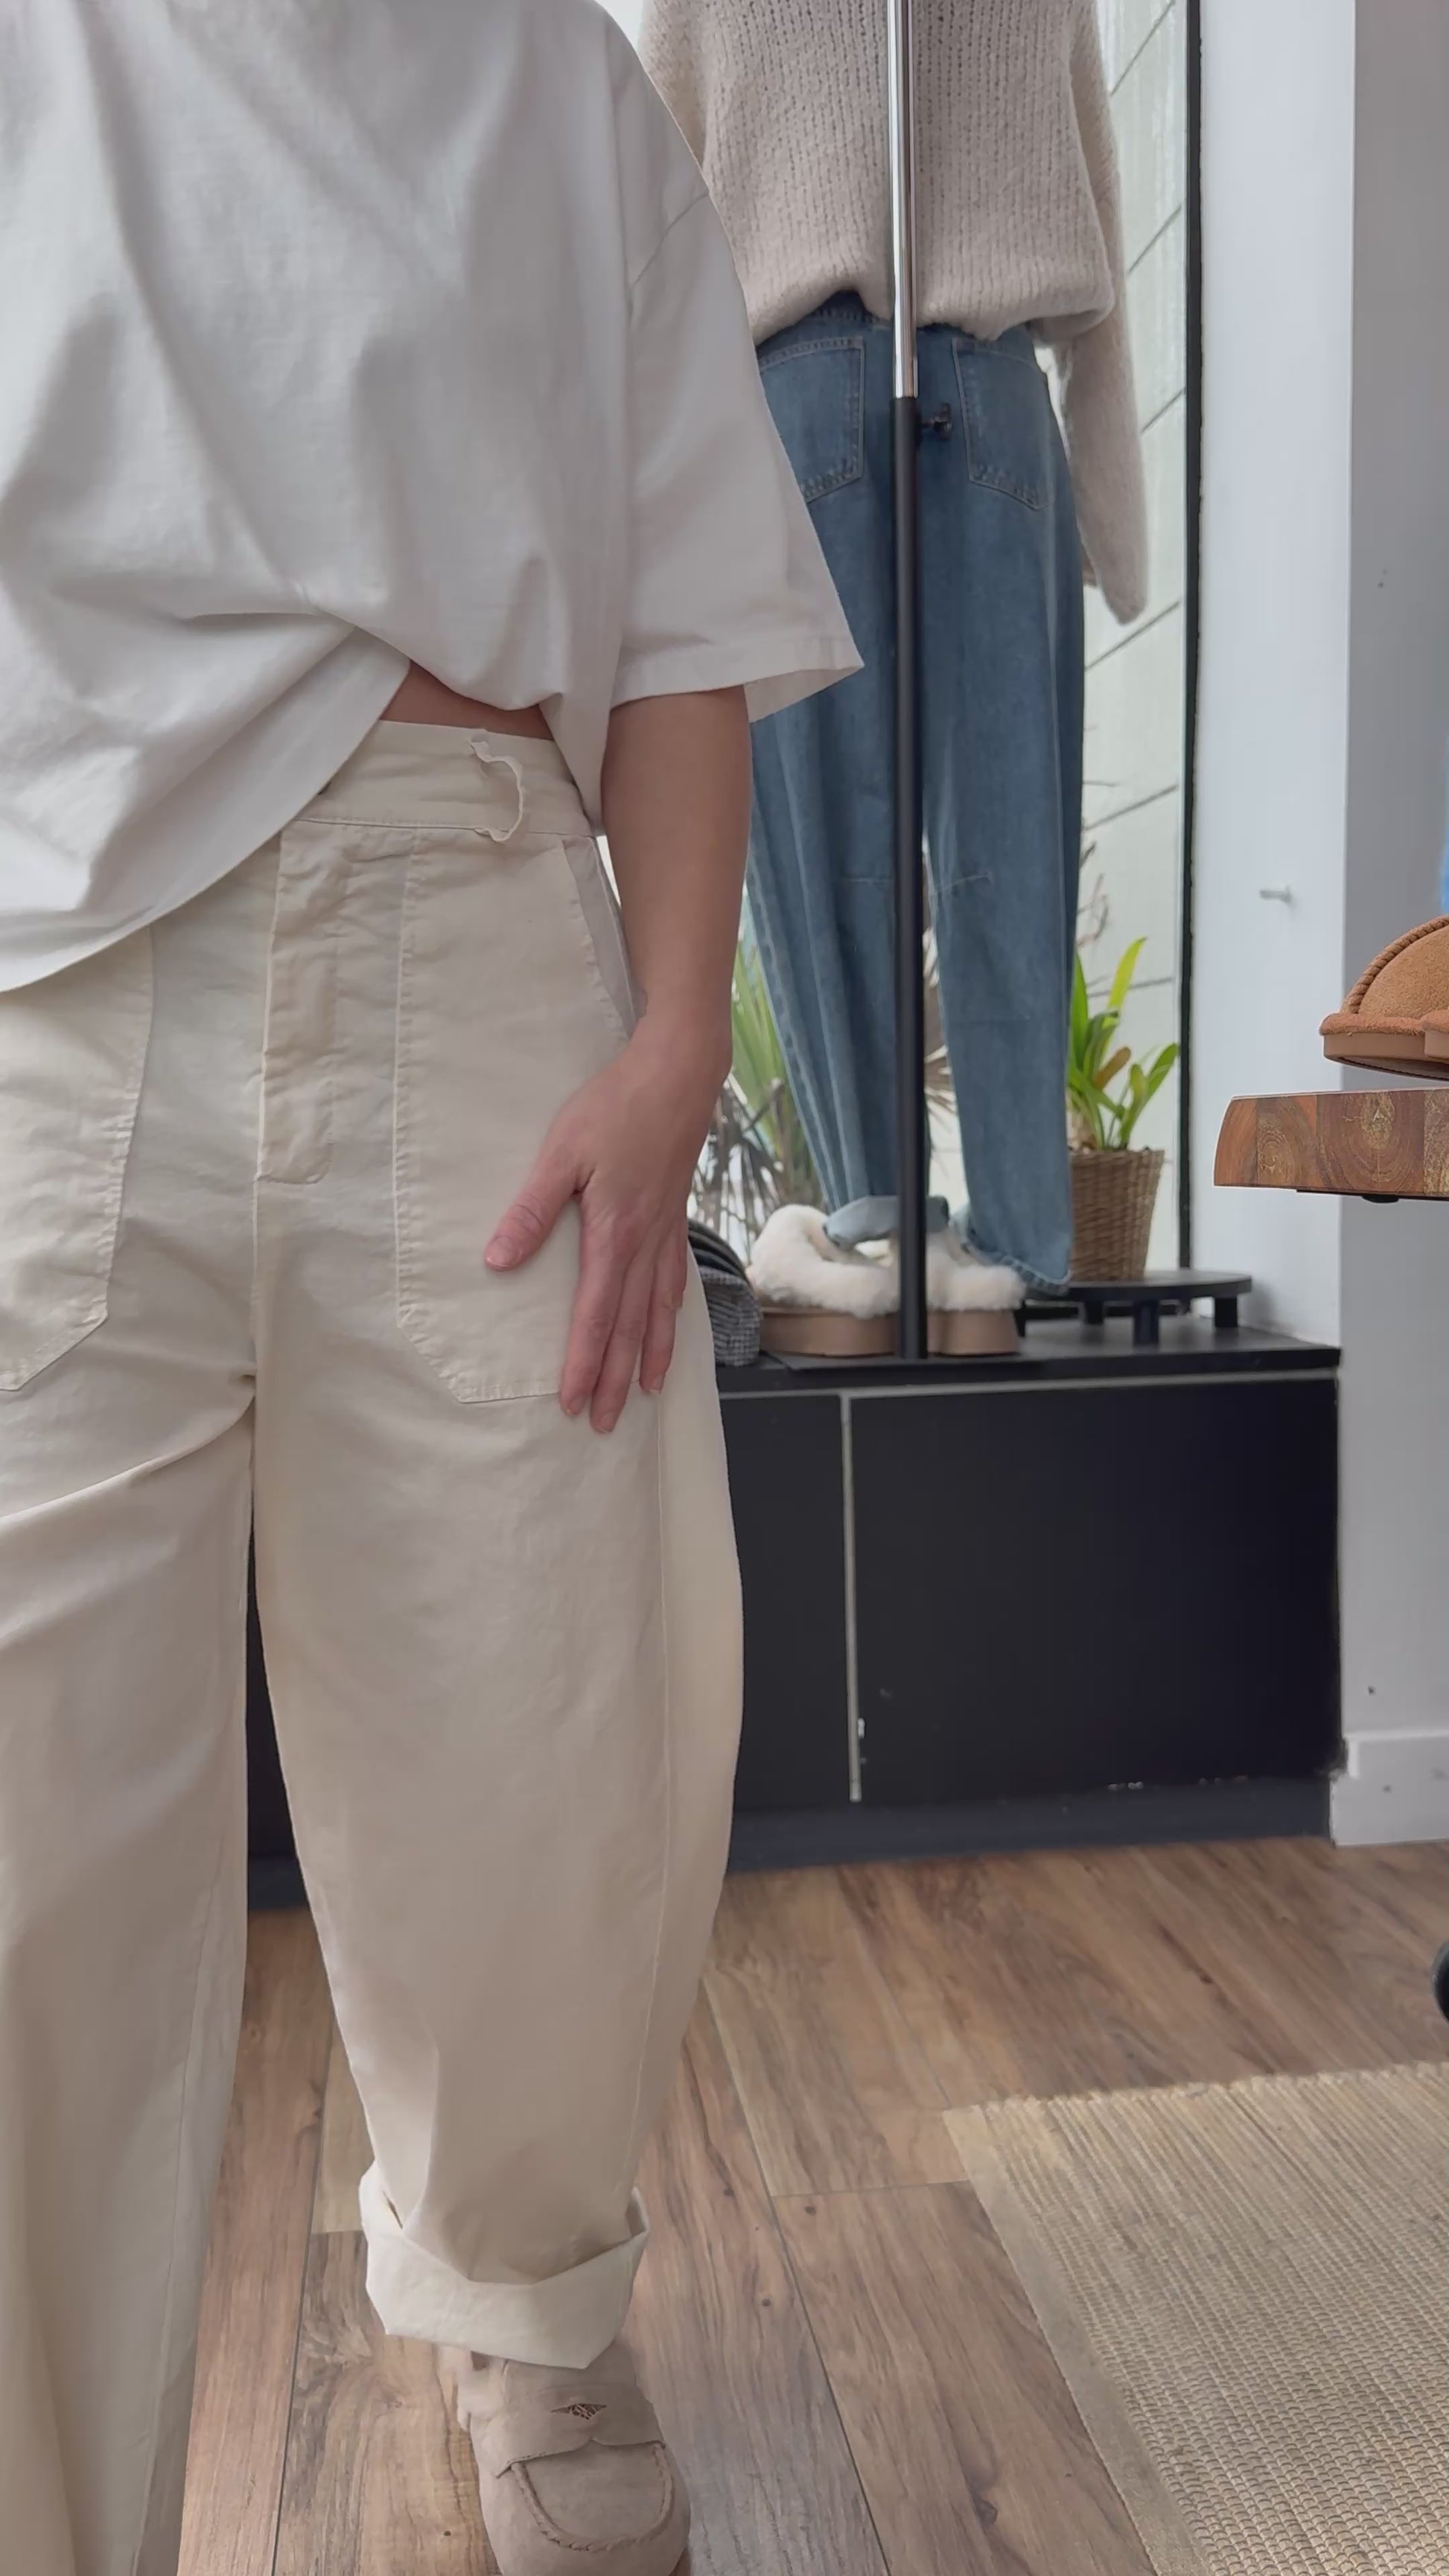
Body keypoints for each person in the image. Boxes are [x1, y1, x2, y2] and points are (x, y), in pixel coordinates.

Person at [0, 6, 858, 2574]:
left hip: (477, 918)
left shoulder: (558, 87)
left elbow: (684, 610)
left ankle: (528, 2300)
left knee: (550, 1716)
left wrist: (676, 1033)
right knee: (24, 1827)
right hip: (57, 966)